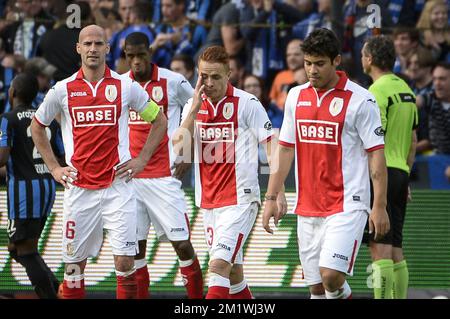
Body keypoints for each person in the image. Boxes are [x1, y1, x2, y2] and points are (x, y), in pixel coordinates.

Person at [30, 24, 168, 299]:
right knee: (73, 268)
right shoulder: (63, 89)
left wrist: (141, 159)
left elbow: (160, 120)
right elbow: (37, 126)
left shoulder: (125, 86)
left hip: (118, 188)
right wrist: (55, 167)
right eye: (88, 44)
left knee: (125, 263)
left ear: (107, 48)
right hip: (79, 190)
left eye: (98, 44)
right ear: (78, 49)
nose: (93, 49)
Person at [263, 28, 390, 299]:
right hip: (308, 206)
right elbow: (285, 148)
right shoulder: (296, 96)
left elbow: (376, 154)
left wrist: (379, 206)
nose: (312, 70)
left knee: (331, 276)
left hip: (347, 204)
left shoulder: (361, 99)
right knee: (317, 289)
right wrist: (272, 196)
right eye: (308, 63)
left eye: (319, 63)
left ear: (336, 61)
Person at [173, 45, 287, 299]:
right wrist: (194, 109)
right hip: (209, 203)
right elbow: (180, 148)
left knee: (218, 266)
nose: (209, 82)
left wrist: (276, 192)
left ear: (229, 74)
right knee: (234, 274)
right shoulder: (193, 105)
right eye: (204, 76)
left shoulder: (247, 103)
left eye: (216, 76)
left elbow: (272, 147)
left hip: (241, 200)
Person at [123, 31, 203, 299]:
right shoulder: (121, 85)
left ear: (150, 52)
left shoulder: (173, 81)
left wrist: (189, 152)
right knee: (136, 249)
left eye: (140, 55)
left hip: (163, 177)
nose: (136, 61)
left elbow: (198, 111)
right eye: (130, 56)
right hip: (131, 179)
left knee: (182, 245)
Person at [362, 35, 418, 299]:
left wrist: (377, 180)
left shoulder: (376, 91)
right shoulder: (407, 90)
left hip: (381, 173)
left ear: (370, 59)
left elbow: (375, 140)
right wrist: (405, 176)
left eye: (364, 55)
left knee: (379, 247)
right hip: (401, 173)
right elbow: (413, 141)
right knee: (396, 247)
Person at [0, 73, 63, 298]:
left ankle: (52, 295)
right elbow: (62, 155)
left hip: (23, 193)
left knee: (25, 250)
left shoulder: (8, 118)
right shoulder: (46, 119)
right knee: (16, 248)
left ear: (12, 92)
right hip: (47, 189)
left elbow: (1, 158)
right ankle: (57, 289)